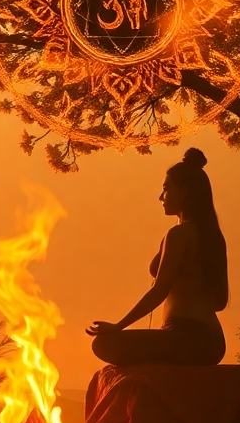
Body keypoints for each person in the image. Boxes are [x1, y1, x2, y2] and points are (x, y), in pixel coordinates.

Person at [86, 147, 228, 366]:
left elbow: (159, 291)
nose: (161, 197)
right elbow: (220, 302)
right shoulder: (214, 237)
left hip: (187, 338)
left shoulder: (179, 235)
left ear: (184, 191)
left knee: (103, 344)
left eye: (166, 189)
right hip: (213, 342)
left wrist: (118, 326)